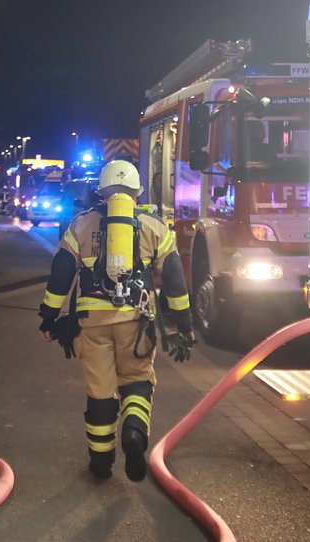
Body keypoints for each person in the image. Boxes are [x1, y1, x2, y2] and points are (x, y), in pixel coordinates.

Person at [38, 160, 195, 482]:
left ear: (101, 191)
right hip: (137, 322)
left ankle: (100, 460)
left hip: (91, 324)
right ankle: (134, 435)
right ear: (137, 192)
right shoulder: (154, 227)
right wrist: (184, 325)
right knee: (137, 380)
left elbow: (61, 274)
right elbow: (175, 280)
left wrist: (48, 319)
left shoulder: (81, 225)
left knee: (100, 390)